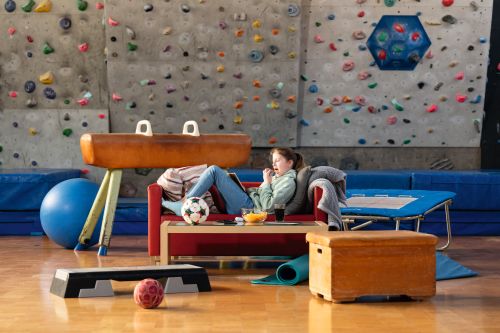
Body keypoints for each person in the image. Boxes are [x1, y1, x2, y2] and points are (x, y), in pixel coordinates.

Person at [162, 147, 305, 215]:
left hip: (249, 208)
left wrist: (266, 183)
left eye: (278, 161)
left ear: (290, 163)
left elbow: (268, 206)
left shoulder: (288, 182)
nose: (274, 165)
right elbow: (262, 195)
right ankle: (185, 203)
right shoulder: (278, 177)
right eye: (273, 161)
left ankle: (184, 204)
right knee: (217, 174)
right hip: (247, 201)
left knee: (214, 171)